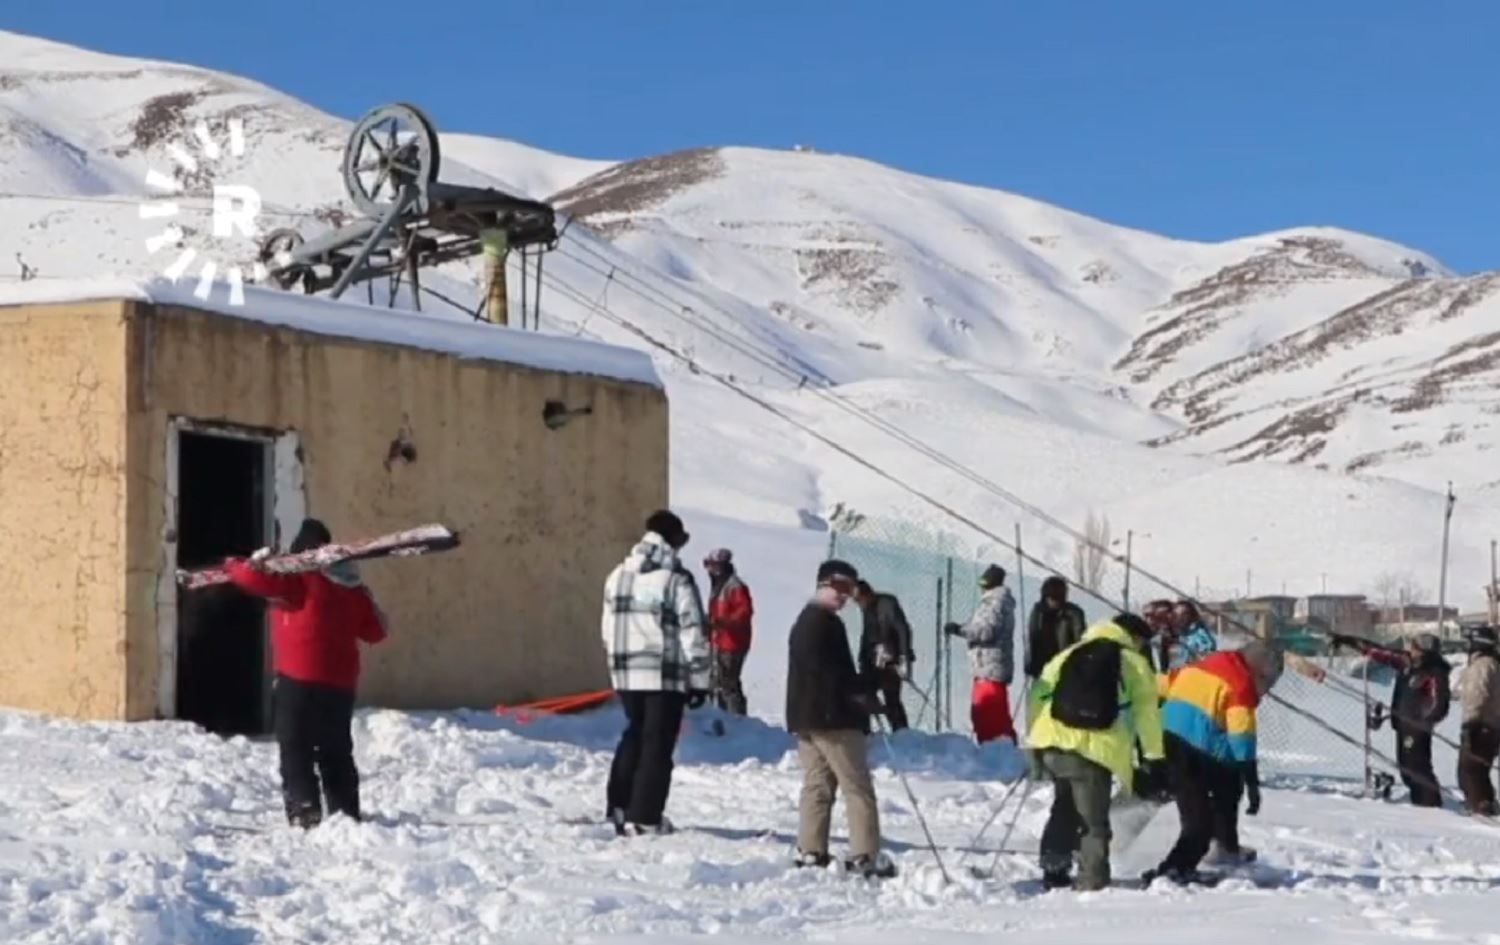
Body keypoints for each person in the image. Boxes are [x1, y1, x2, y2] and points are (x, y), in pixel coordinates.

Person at [222, 518, 389, 829]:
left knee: (295, 744)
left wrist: (236, 564)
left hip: (297, 678)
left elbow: (251, 580)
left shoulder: (298, 581)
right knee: (335, 748)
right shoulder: (352, 588)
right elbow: (377, 632)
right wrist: (364, 595)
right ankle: (345, 812)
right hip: (340, 682)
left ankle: (304, 809)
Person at [1027, 613, 1166, 891]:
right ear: (1134, 637)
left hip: (1053, 744)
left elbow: (1038, 693)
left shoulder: (1069, 653)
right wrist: (1153, 756)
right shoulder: (1134, 664)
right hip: (1093, 750)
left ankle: (1054, 868)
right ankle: (1092, 880)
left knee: (1064, 807)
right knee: (1094, 821)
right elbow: (1147, 715)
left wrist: (1035, 738)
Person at [601, 510, 712, 836]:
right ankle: (645, 816)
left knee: (634, 734)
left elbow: (607, 626)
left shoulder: (617, 575)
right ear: (673, 540)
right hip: (664, 674)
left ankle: (618, 806)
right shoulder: (676, 579)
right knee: (657, 744)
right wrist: (700, 679)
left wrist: (616, 663)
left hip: (625, 673)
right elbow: (693, 631)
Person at [786, 560, 895, 878]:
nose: (845, 595)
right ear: (823, 583)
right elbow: (836, 676)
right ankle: (865, 855)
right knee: (857, 787)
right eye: (840, 586)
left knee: (817, 784)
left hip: (808, 717)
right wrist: (868, 687)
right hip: (833, 719)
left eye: (851, 588)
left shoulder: (806, 620)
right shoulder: (824, 624)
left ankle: (811, 849)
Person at [1144, 640, 1284, 884]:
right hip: (1189, 751)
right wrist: (1251, 776)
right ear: (1260, 672)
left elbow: (1159, 684)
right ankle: (1173, 870)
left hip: (1164, 740)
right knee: (1199, 824)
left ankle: (1225, 847)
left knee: (1224, 787)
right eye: (1267, 682)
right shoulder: (1240, 686)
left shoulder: (1204, 665)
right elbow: (1241, 736)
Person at [1328, 631, 1451, 808]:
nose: (1411, 650)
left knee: (1418, 769)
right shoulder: (1406, 663)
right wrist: (1349, 640)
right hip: (1403, 725)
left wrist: (1424, 722)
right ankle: (1421, 804)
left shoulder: (1435, 671)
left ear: (1425, 651)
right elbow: (1377, 651)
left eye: (1415, 647)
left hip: (1417, 729)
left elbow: (1440, 704)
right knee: (1406, 770)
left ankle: (1430, 805)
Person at [946, 565, 1017, 743]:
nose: (981, 588)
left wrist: (960, 630)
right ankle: (996, 750)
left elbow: (986, 631)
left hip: (990, 668)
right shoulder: (995, 602)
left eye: (984, 583)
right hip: (988, 667)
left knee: (988, 714)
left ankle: (997, 751)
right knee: (987, 714)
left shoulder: (995, 603)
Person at [853, 580, 914, 731]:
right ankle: (864, 731)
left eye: (859, 599)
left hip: (891, 663)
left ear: (868, 594)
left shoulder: (887, 604)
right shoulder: (867, 610)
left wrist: (903, 657)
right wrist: (862, 659)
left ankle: (901, 733)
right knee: (863, 695)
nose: (859, 604)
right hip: (872, 663)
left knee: (892, 698)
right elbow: (867, 636)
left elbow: (902, 629)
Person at [1455, 626, 1500, 816]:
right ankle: (1486, 803)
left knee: (1470, 769)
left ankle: (1479, 807)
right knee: (1479, 768)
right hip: (1491, 723)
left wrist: (1471, 723)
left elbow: (1477, 694)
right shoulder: (1492, 664)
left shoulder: (1483, 665)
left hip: (1481, 723)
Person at [704, 548, 754, 716]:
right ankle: (724, 716)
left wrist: (723, 623)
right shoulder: (719, 585)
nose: (709, 569)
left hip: (732, 642)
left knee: (728, 683)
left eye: (711, 565)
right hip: (718, 640)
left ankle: (737, 718)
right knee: (716, 681)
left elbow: (744, 611)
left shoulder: (735, 586)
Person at [1024, 575, 1087, 681]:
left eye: (1058, 598)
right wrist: (1030, 665)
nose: (1054, 602)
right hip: (1042, 670)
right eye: (1051, 598)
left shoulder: (1074, 614)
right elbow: (1032, 639)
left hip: (1065, 670)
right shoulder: (1038, 612)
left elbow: (1080, 642)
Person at [1160, 600, 1217, 671]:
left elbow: (1206, 655)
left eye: (1184, 614)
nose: (1179, 618)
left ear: (1190, 615)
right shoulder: (1180, 633)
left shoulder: (1199, 634)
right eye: (1176, 614)